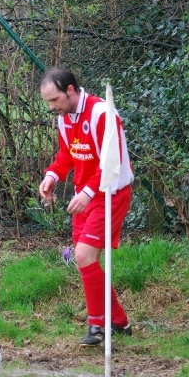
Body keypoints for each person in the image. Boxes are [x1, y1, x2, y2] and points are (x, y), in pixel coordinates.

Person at [38, 67, 135, 346]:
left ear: (70, 90)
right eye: (47, 102)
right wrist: (52, 176)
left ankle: (98, 326)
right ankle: (118, 321)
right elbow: (67, 153)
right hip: (87, 196)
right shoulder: (64, 118)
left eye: (54, 99)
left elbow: (110, 165)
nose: (51, 107)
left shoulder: (102, 114)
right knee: (86, 261)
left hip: (111, 193)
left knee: (82, 255)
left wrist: (89, 193)